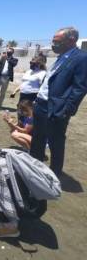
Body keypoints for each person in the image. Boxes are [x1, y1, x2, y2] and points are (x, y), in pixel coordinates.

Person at [30, 27, 87, 176]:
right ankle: (34, 170)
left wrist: (66, 110)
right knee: (37, 139)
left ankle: (54, 174)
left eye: (57, 42)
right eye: (53, 41)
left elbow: (79, 88)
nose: (53, 45)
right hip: (41, 105)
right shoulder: (60, 58)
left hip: (56, 109)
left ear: (71, 40)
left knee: (55, 142)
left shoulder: (81, 58)